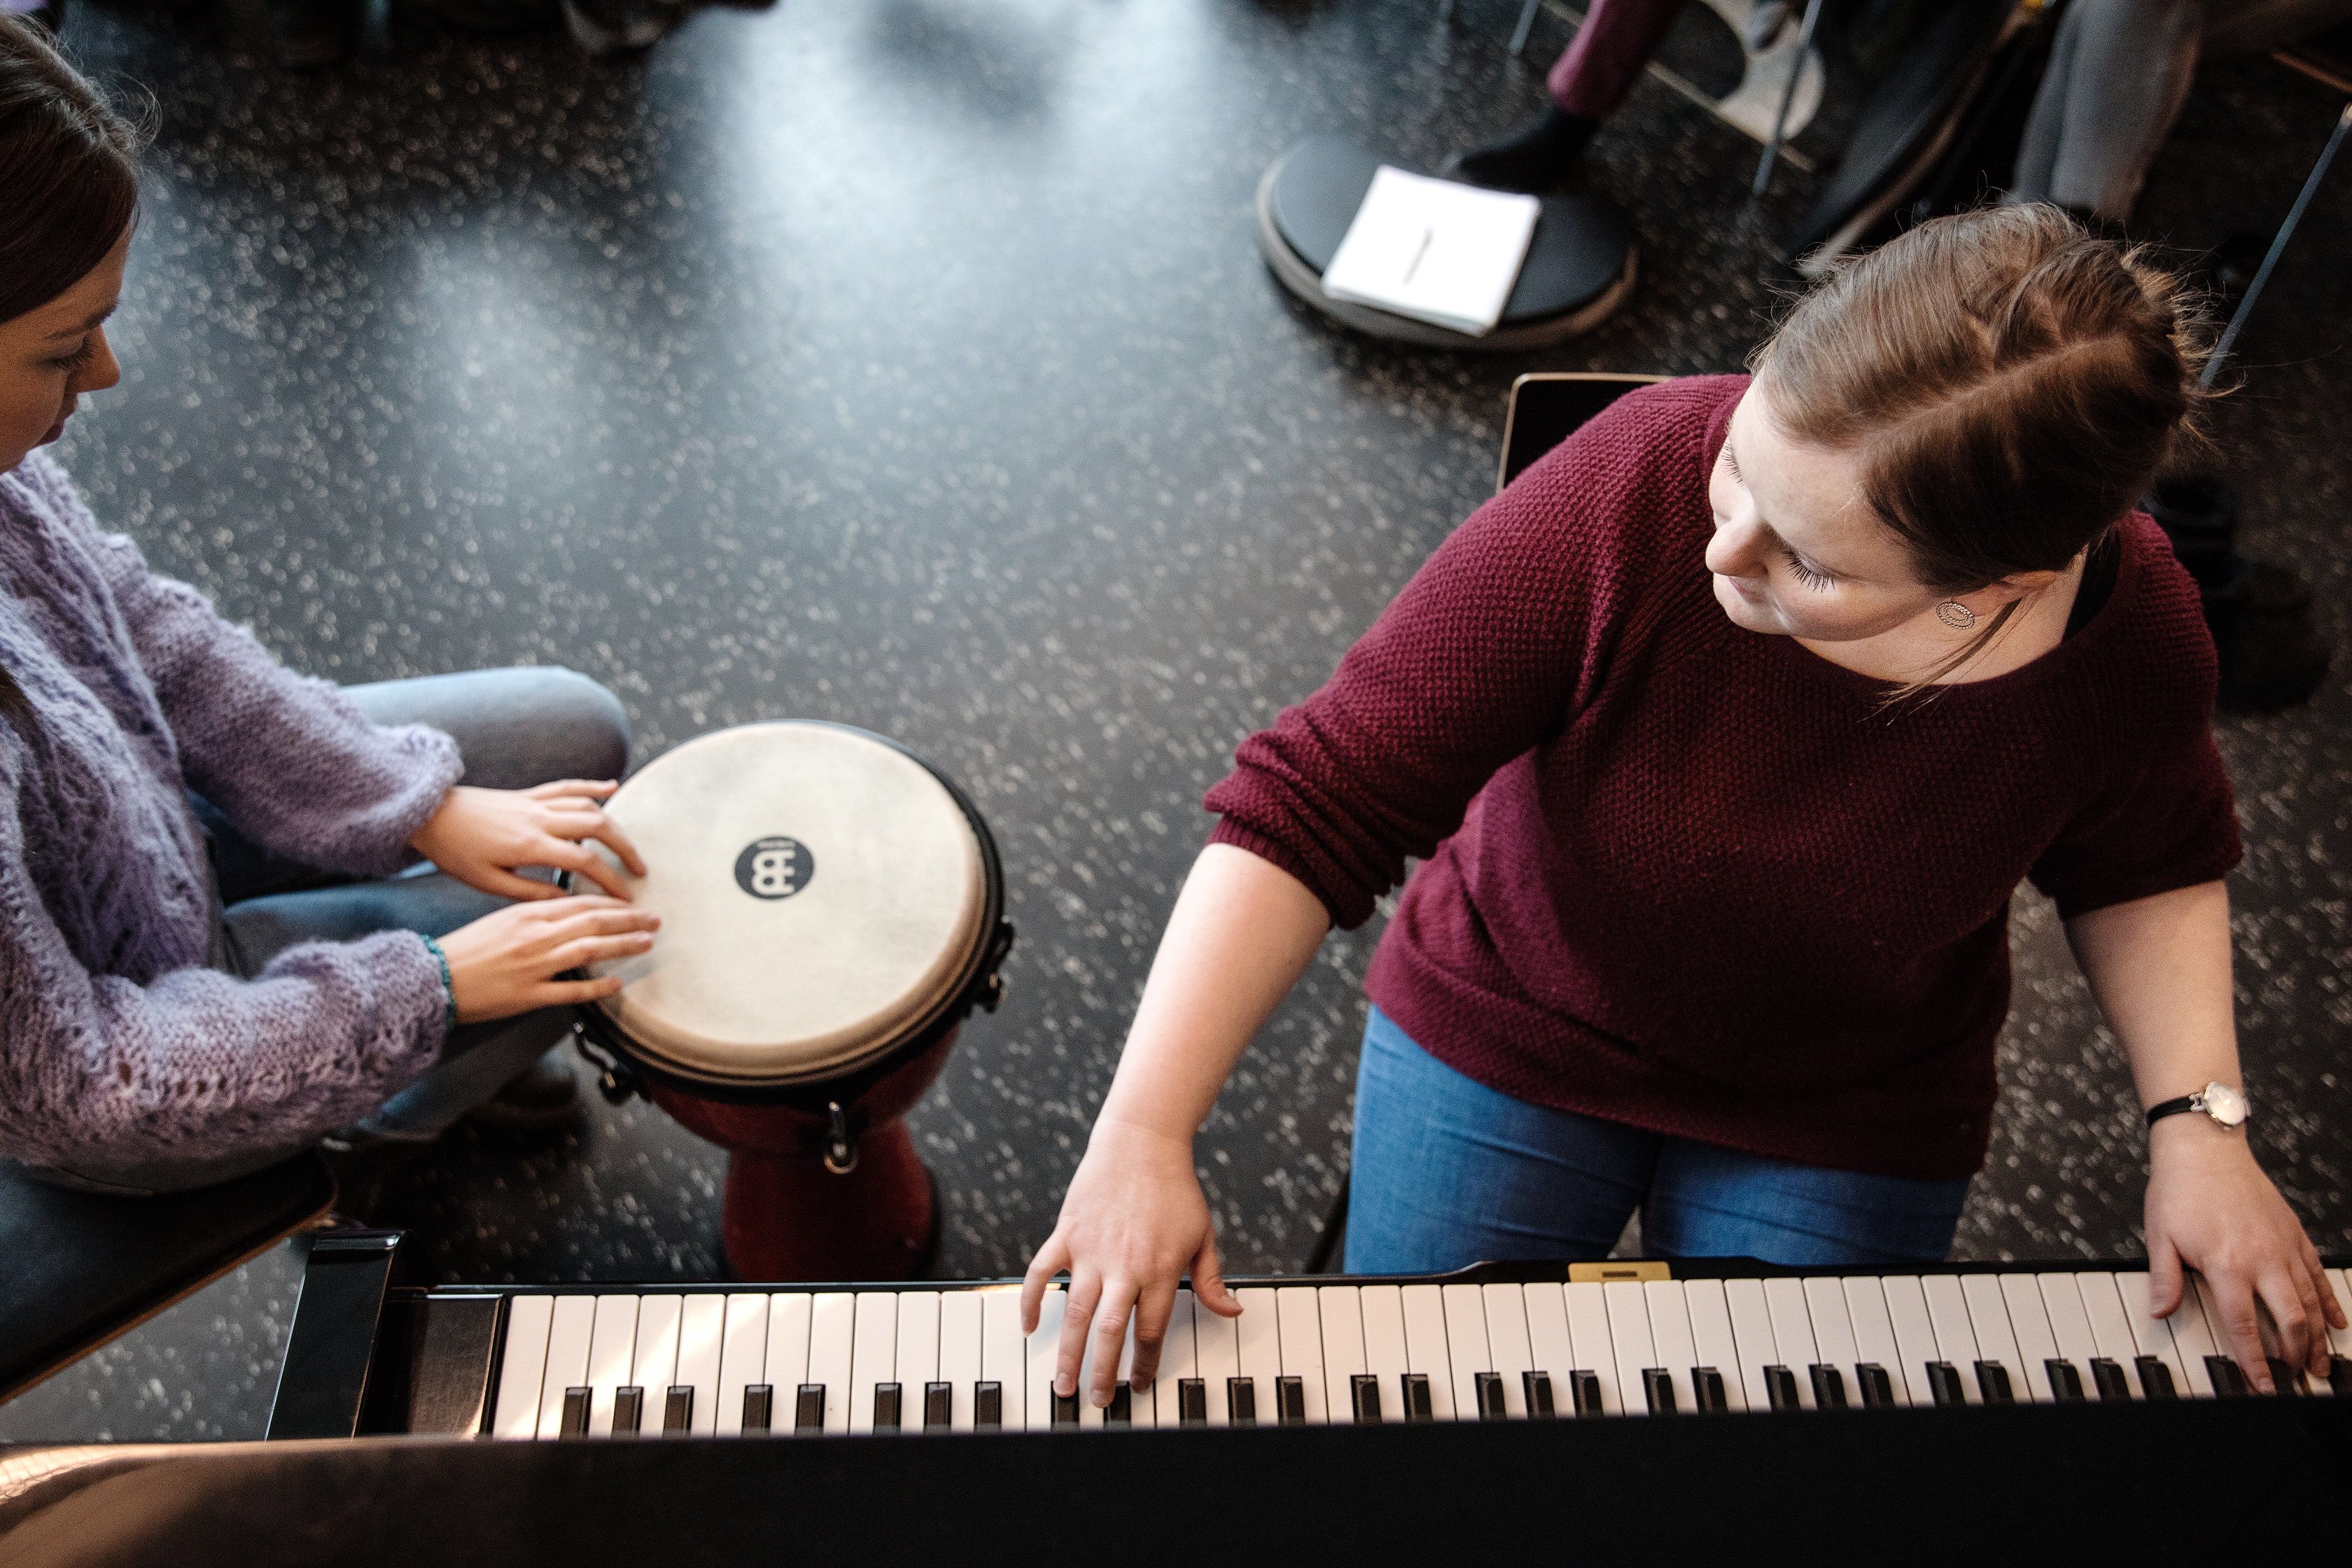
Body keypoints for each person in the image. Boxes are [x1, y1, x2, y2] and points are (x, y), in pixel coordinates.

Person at [1022, 204, 2343, 1408]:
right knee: (1427, 1425)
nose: (1723, 552)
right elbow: (1320, 795)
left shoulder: (2141, 635)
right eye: (1741, 468)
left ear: (2001, 584)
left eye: (1807, 561)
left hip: (1853, 1102)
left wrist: (2201, 1132)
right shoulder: (1641, 475)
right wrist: (1144, 1130)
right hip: (1513, 1021)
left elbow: (2149, 863)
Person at [0, 14, 662, 1196]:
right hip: (146, 1049)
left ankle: (443, 1050)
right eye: (66, 347)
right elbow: (90, 1088)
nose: (105, 376)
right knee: (588, 933)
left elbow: (147, 629)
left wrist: (412, 801)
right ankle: (383, 1126)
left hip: (138, 830)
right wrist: (437, 989)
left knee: (575, 732)